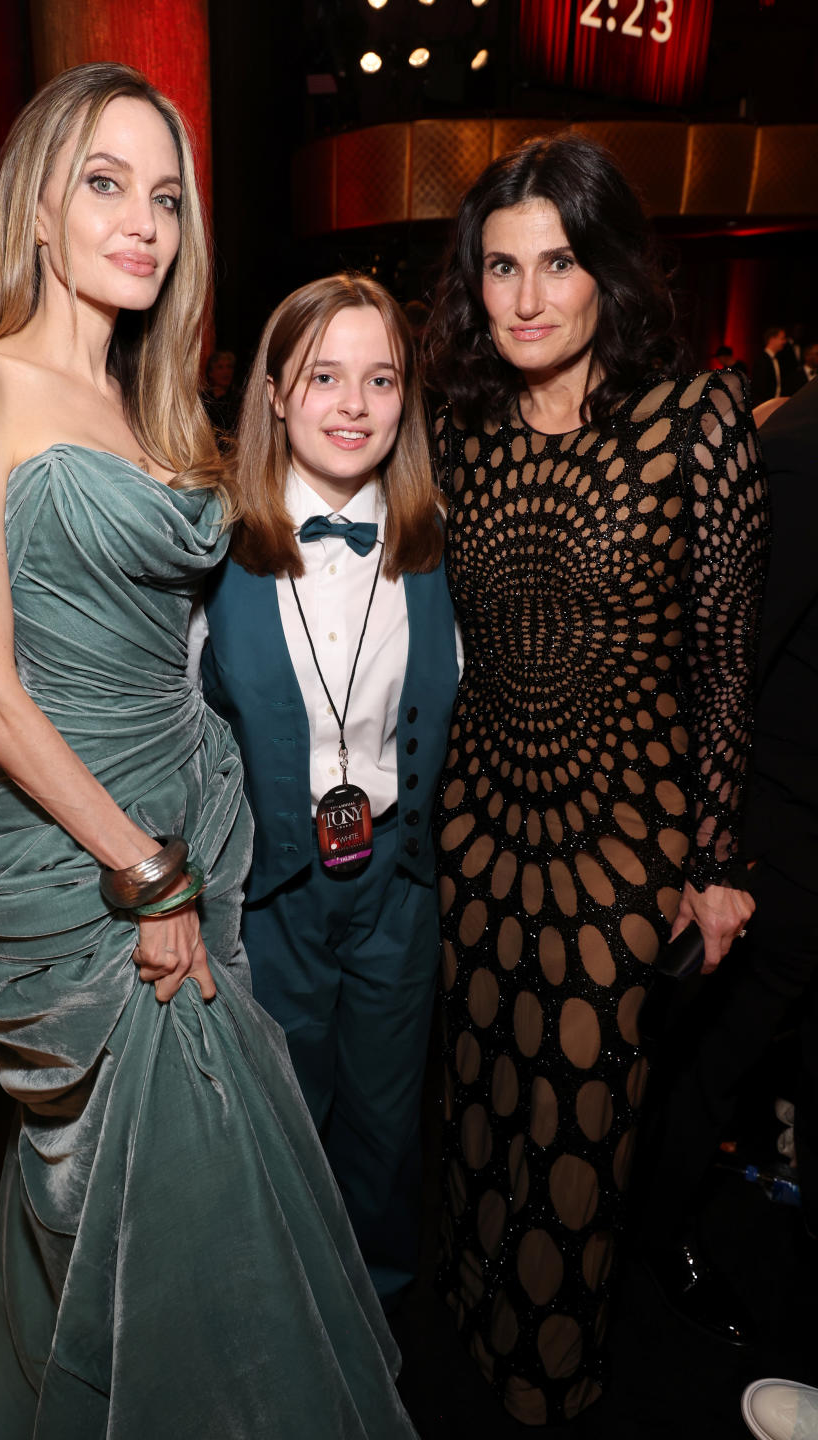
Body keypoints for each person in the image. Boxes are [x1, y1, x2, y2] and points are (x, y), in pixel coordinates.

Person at [0, 63, 417, 1440]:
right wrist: (145, 871)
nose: (144, 221)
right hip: (104, 865)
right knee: (177, 1218)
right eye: (106, 184)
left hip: (197, 828)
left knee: (132, 1219)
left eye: (166, 196)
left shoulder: (155, 411)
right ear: (39, 210)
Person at [423, 133, 768, 1426]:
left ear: (606, 271)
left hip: (622, 842)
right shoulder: (460, 431)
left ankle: (548, 1387)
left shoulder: (693, 419)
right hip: (476, 830)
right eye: (500, 266)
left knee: (579, 1130)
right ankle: (472, 1324)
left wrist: (720, 862)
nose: (524, 297)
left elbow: (729, 655)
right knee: (477, 1115)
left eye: (555, 263)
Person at [201, 274, 460, 1309]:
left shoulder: (437, 534)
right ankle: (290, 1330)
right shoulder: (209, 545)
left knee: (389, 1124)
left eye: (381, 378)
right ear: (273, 391)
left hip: (398, 881)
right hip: (271, 895)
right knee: (282, 1123)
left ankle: (380, 1320)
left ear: (407, 399)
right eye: (324, 377)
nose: (354, 405)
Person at [643, 377, 818, 1331]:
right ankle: (656, 1226)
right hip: (778, 829)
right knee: (715, 1049)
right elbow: (724, 663)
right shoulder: (801, 447)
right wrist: (708, 855)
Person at [750, 325, 789, 407]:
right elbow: (758, 388)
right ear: (772, 340)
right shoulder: (761, 360)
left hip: (776, 405)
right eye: (782, 338)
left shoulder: (779, 359)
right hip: (765, 406)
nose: (785, 342)